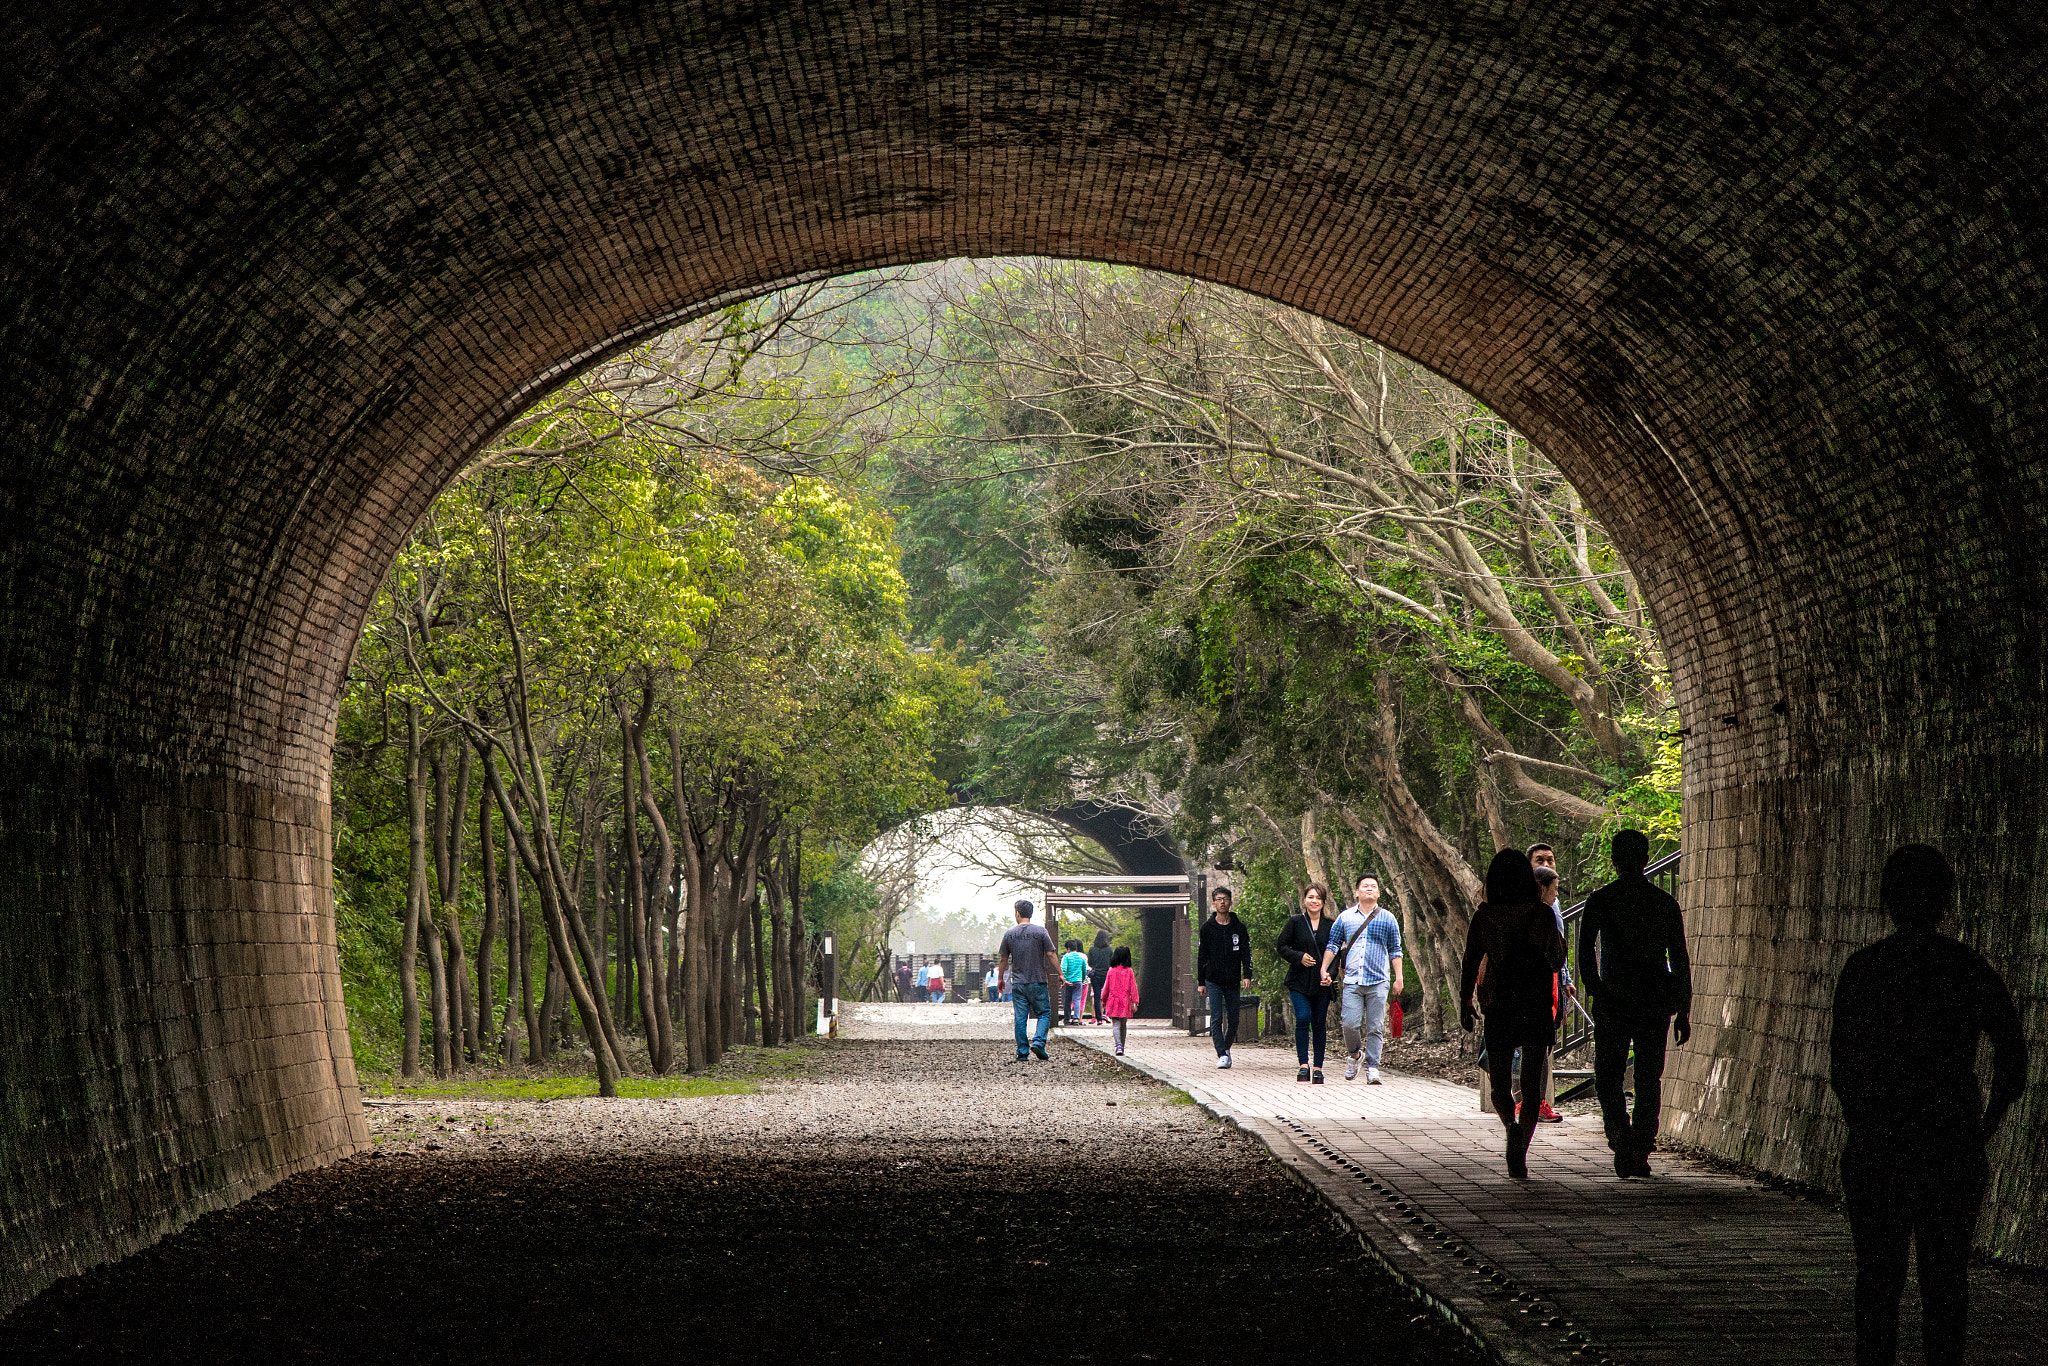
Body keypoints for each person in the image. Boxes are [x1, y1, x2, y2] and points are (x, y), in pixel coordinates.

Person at [1831, 844, 2026, 1366]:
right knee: (1946, 1281)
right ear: (1945, 899)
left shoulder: (1864, 971)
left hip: (1879, 1147)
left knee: (1877, 1279)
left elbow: (1842, 1066)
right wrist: (1982, 1128)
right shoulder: (1967, 968)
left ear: (1887, 898)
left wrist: (1866, 1123)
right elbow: (2012, 1056)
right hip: (1950, 1142)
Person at [1580, 828, 1692, 1177]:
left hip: (1614, 999)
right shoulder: (1663, 903)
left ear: (1613, 860)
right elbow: (1680, 959)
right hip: (1654, 1000)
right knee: (1648, 1077)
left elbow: (1584, 951)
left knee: (1608, 1075)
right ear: (1645, 858)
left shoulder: (1602, 900)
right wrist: (1683, 1009)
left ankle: (1620, 1135)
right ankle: (1640, 1146)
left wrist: (1597, 987)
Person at [1460, 849, 1566, 1178]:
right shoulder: (1542, 915)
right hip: (1535, 1002)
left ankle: (1511, 1128)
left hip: (1500, 1001)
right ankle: (1522, 1142)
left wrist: (1465, 1002)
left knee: (1500, 1084)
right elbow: (1558, 960)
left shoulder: (1485, 916)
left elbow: (1469, 962)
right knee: (1532, 1084)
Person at [1319, 873, 1402, 1083]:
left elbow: (1395, 949)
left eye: (1373, 886)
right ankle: (1355, 1054)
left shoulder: (1388, 918)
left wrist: (1398, 978)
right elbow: (1333, 945)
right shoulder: (1345, 917)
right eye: (1365, 886)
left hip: (1379, 980)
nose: (1369, 889)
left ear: (1378, 892)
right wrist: (1324, 968)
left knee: (1375, 1027)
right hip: (1353, 980)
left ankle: (1373, 1067)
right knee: (1349, 1023)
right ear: (1357, 892)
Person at [1277, 883, 1338, 1083]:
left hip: (1321, 983)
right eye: (1311, 897)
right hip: (1299, 981)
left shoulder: (1331, 925)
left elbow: (1337, 952)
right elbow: (1282, 946)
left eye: (1318, 898)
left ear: (1323, 902)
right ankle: (1303, 1065)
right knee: (1303, 1017)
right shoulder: (1295, 922)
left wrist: (1331, 974)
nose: (1314, 901)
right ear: (1304, 900)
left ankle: (1318, 1068)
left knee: (1319, 1023)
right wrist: (1299, 956)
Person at [1528, 864, 1570, 1123]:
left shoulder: (1505, 913)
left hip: (1524, 993)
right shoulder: (1543, 915)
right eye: (1553, 890)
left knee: (1532, 1050)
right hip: (1538, 992)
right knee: (1536, 1050)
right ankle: (1532, 1102)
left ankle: (1526, 1103)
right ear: (1541, 889)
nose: (1556, 896)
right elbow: (1556, 955)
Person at [1197, 886, 1255, 1069]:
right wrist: (1201, 982)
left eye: (1225, 899)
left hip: (1232, 979)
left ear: (1231, 902)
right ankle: (1221, 1053)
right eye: (1219, 899)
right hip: (1213, 979)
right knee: (1216, 1018)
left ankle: (1226, 1048)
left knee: (1234, 1018)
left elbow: (1246, 952)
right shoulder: (1207, 928)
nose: (1222, 902)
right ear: (1214, 903)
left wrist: (1247, 974)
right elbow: (1202, 956)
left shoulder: (1239, 928)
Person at [998, 899, 1059, 1061]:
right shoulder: (1041, 932)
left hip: (1018, 982)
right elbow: (1051, 954)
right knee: (1044, 1013)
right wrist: (1060, 973)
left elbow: (1003, 958)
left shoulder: (1009, 934)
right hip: (1038, 981)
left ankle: (1022, 1052)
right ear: (1030, 913)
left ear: (1017, 913)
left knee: (1020, 1017)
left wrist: (1000, 978)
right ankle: (1038, 1042)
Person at [1100, 946, 1140, 1055]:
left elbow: (1106, 986)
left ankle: (1118, 1045)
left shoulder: (1111, 971)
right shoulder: (1129, 971)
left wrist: (1103, 999)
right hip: (1125, 1000)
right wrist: (1135, 1001)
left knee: (1115, 1024)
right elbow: (1133, 987)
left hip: (1113, 1000)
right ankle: (1122, 1045)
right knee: (1123, 1023)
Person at [1086, 929, 1113, 1025]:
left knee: (1097, 997)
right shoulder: (1109, 949)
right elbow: (1112, 962)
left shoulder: (1092, 949)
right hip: (1106, 975)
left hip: (1096, 975)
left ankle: (1099, 1019)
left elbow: (1090, 963)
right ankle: (1106, 1014)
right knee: (1107, 996)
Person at [1060, 939, 1089, 1024]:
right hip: (1078, 981)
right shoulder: (1081, 957)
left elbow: (1064, 969)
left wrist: (1064, 979)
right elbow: (1084, 970)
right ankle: (1076, 1018)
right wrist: (1082, 978)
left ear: (1068, 948)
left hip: (1069, 981)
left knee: (1067, 1000)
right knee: (1077, 1000)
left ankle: (1067, 1018)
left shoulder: (1066, 957)